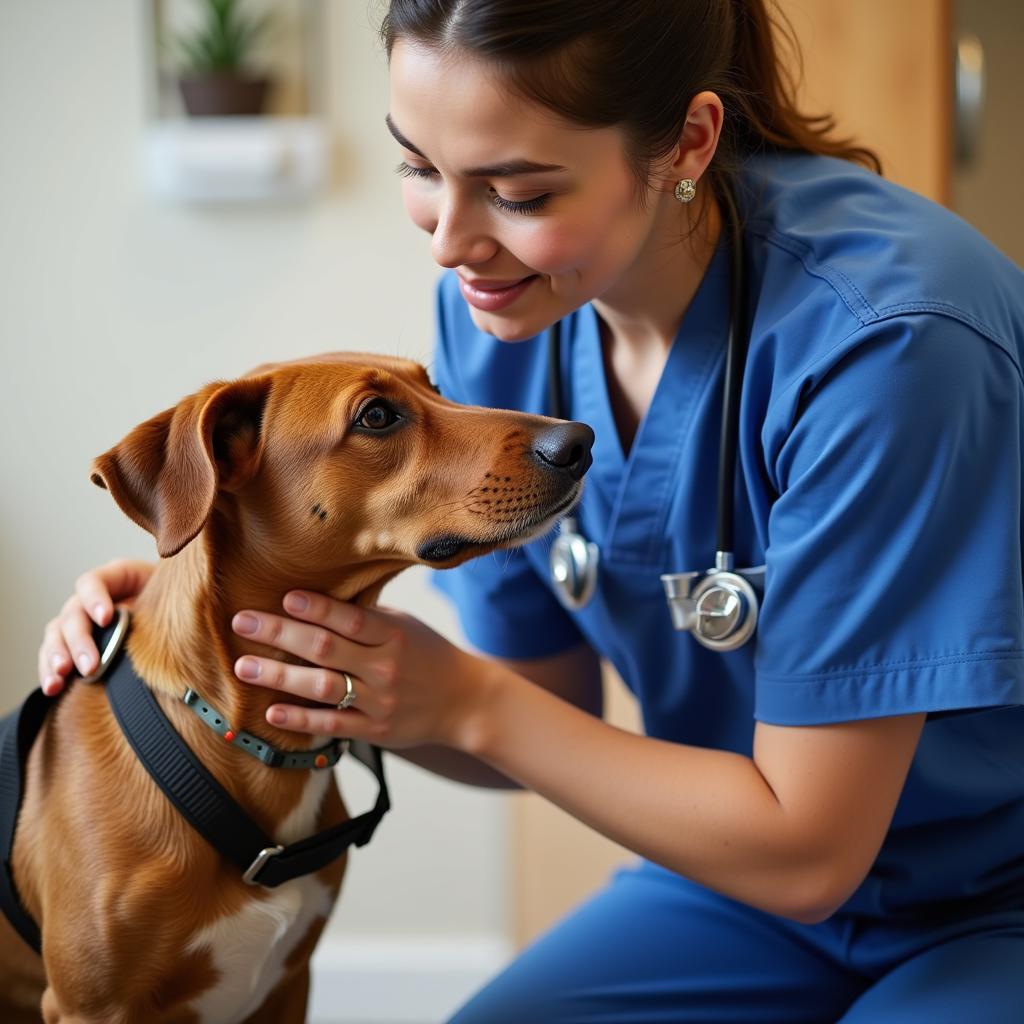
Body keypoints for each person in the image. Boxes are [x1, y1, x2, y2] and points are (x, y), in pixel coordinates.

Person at [37, 1, 1024, 1021]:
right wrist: (240, 633)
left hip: (986, 895)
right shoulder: (510, 316)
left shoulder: (890, 347)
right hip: (743, 885)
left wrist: (466, 698)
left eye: (515, 190)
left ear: (687, 141)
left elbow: (809, 847)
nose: (452, 243)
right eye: (419, 167)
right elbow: (543, 696)